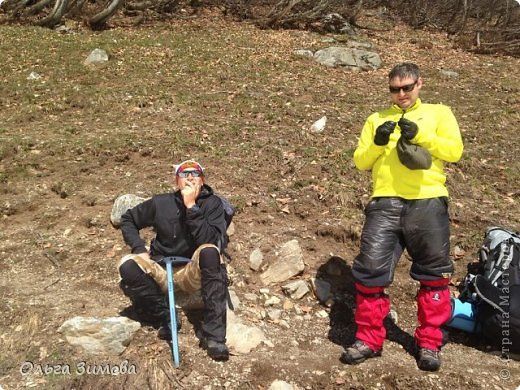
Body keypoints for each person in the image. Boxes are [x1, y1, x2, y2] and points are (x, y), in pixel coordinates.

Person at [342, 62, 464, 371]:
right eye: (394, 89)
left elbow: (454, 151)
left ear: (420, 84)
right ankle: (369, 339)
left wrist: (422, 135)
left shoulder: (439, 113)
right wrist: (378, 143)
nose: (401, 94)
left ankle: (429, 343)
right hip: (384, 202)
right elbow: (360, 162)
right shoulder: (376, 118)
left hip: (427, 202)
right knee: (370, 272)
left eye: (407, 88)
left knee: (435, 276)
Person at [118, 159, 230, 361]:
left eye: (195, 174)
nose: (189, 177)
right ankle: (165, 317)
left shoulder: (213, 204)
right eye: (183, 174)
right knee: (127, 265)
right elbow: (128, 219)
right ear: (176, 181)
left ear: (202, 181)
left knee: (210, 251)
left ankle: (215, 337)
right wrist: (138, 247)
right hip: (162, 268)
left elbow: (210, 241)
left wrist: (191, 206)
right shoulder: (161, 202)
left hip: (192, 270)